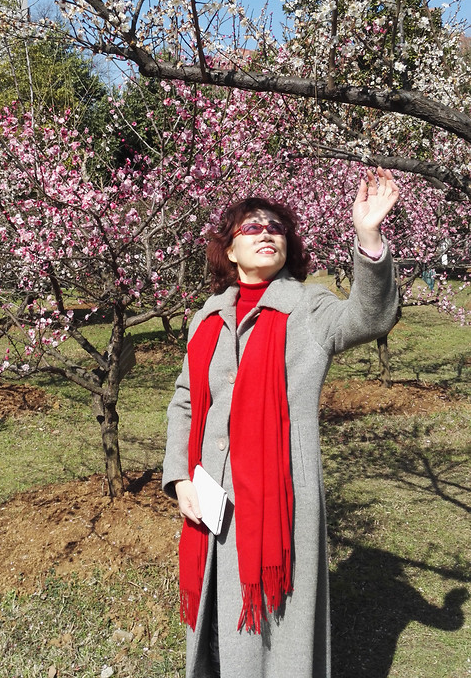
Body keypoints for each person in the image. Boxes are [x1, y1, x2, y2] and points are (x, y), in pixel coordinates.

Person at [162, 168, 400, 678]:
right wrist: (179, 476)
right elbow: (186, 399)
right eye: (252, 227)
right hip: (211, 493)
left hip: (279, 497)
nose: (267, 232)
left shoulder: (307, 306)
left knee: (272, 629)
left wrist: (368, 236)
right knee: (216, 625)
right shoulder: (208, 316)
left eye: (276, 227)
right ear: (229, 250)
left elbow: (369, 317)